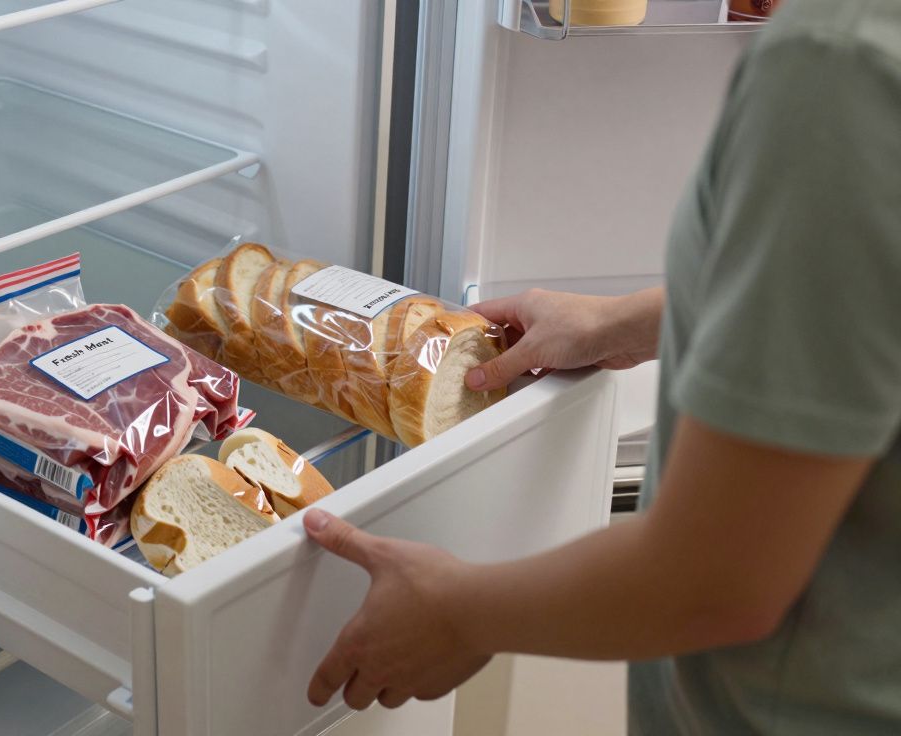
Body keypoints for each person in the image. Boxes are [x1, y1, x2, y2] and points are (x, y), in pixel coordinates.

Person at [302, 0, 901, 732]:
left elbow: (719, 580)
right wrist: (624, 323)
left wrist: (459, 613)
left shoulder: (841, 65)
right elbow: (852, 290)